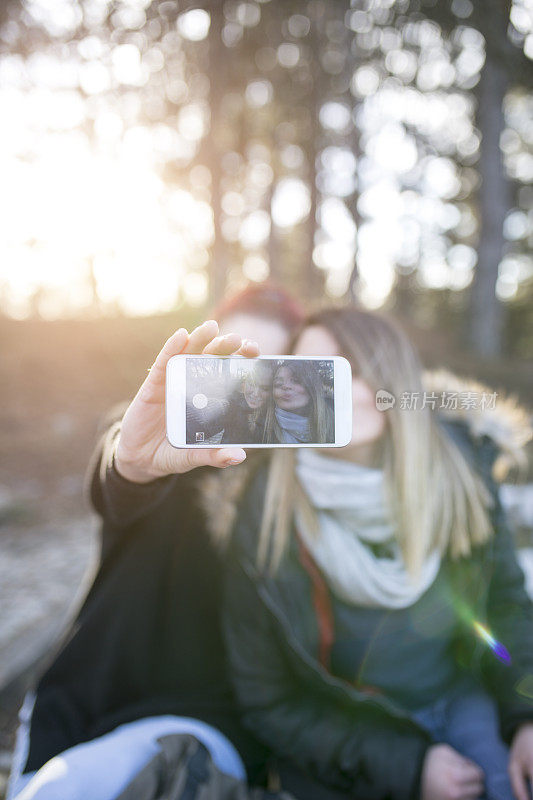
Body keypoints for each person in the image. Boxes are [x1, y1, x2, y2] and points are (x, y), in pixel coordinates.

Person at [6, 283, 320, 800]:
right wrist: (128, 463)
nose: (241, 384)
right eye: (228, 359)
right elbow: (117, 482)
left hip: (205, 721)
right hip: (85, 696)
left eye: (264, 367)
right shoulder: (150, 432)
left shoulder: (294, 482)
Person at [221, 306, 533, 800]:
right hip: (347, 737)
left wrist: (526, 716)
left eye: (352, 366)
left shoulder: (462, 469)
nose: (338, 388)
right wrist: (407, 767)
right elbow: (268, 701)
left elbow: (507, 608)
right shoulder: (263, 513)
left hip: (462, 699)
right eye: (312, 373)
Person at [264, 361, 334, 444]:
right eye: (278, 384)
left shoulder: (335, 424)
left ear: (312, 387)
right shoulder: (262, 430)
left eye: (296, 381)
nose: (286, 386)